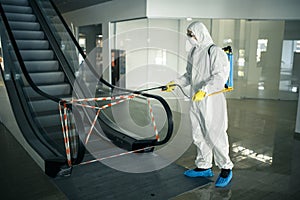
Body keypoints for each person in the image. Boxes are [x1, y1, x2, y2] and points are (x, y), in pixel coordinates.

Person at [165, 21, 234, 187]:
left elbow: (220, 76)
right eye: (189, 34)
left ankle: (226, 168)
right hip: (196, 99)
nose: (190, 38)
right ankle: (204, 166)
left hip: (212, 100)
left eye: (192, 34)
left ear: (201, 33)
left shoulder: (215, 51)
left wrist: (205, 90)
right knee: (198, 133)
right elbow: (189, 75)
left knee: (215, 134)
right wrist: (175, 83)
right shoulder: (194, 52)